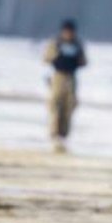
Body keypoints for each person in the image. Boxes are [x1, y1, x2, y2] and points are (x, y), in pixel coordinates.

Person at [43, 19, 87, 153]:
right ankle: (55, 135)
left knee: (69, 107)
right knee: (55, 106)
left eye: (71, 32)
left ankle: (63, 136)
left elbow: (84, 62)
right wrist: (58, 56)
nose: (69, 34)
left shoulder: (77, 44)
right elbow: (46, 58)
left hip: (71, 78)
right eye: (67, 32)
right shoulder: (56, 43)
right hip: (58, 77)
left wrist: (75, 58)